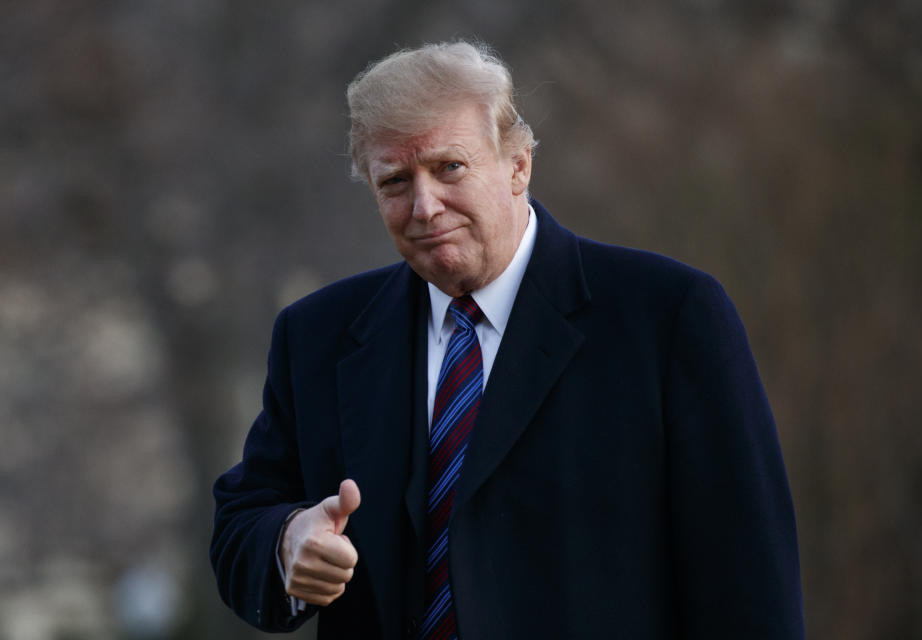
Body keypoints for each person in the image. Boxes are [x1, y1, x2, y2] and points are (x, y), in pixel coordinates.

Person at [210, 41, 804, 639]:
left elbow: (748, 585)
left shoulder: (667, 318)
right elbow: (240, 523)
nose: (424, 205)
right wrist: (288, 541)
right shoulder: (318, 336)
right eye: (394, 180)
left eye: (449, 168)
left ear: (518, 165)